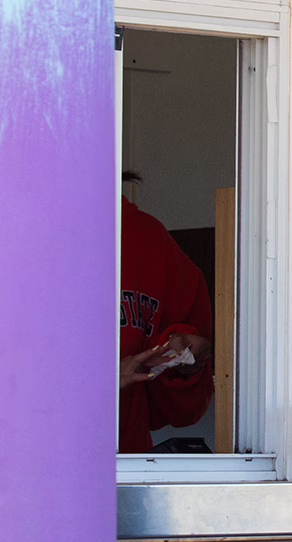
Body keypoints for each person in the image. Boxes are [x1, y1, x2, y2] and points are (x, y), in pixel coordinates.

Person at [118, 170, 214, 454]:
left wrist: (186, 361)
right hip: (20, 473)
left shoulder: (148, 237)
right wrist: (99, 384)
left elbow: (183, 412)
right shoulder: (13, 232)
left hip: (123, 468)